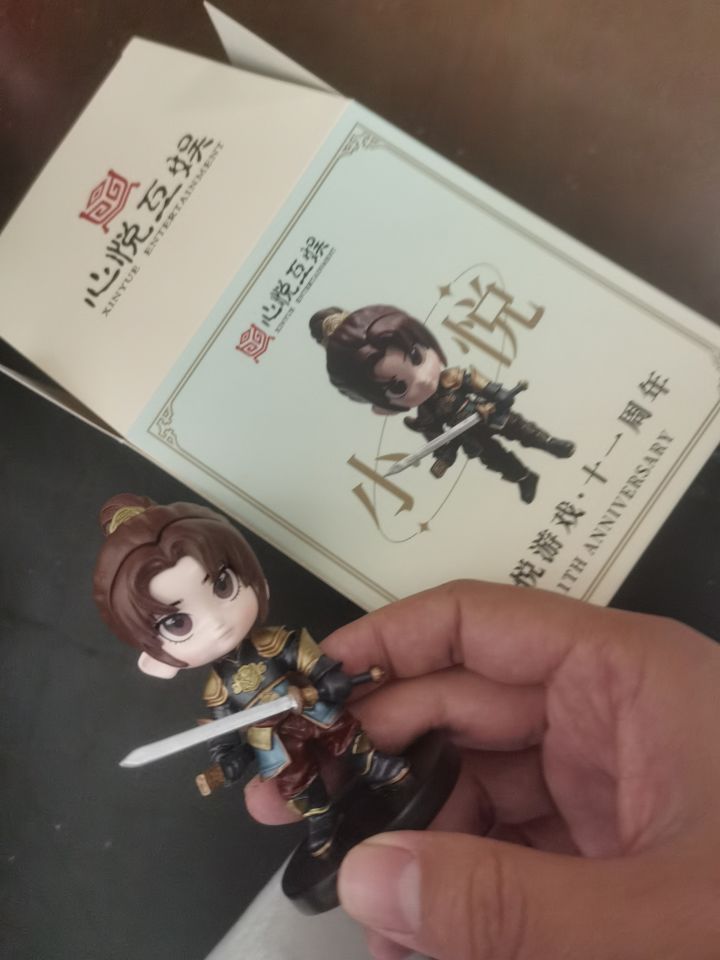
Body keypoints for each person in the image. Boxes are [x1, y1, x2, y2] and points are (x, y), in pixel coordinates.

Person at [246, 579, 720, 959]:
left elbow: (317, 668)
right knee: (303, 792)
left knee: (357, 745)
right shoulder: (226, 687)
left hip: (327, 722)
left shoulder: (276, 644)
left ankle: (381, 775)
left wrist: (336, 681)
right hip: (285, 745)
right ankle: (325, 827)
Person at [92, 494, 409, 858]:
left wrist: (324, 673)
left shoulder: (270, 642)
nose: (216, 623)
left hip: (305, 705)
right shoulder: (218, 689)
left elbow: (298, 652)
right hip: (270, 739)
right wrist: (227, 759)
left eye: (222, 585)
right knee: (295, 781)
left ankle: (373, 763)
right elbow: (223, 729)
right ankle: (321, 816)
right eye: (177, 623)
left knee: (343, 731)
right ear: (154, 658)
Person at [309, 304, 575, 503]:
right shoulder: (425, 414)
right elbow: (440, 439)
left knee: (521, 429)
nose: (422, 379)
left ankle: (550, 443)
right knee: (496, 459)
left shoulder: (453, 378)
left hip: (488, 412)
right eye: (398, 387)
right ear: (383, 406)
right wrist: (444, 460)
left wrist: (498, 393)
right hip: (470, 436)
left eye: (416, 357)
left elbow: (478, 383)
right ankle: (524, 477)